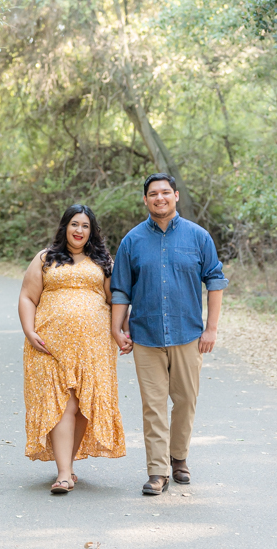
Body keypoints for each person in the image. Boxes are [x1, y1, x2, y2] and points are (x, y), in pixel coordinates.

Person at [110, 173, 228, 495]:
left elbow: (215, 282)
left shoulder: (199, 237)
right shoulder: (131, 241)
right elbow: (120, 289)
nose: (159, 198)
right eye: (153, 194)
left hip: (187, 334)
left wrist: (211, 329)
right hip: (146, 336)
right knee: (153, 405)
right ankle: (157, 471)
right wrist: (116, 328)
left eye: (165, 192)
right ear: (145, 200)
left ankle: (179, 457)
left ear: (175, 195)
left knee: (186, 401)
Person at [19, 204, 129, 494]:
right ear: (65, 227)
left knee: (82, 407)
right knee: (63, 404)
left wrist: (122, 331)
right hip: (50, 346)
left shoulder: (103, 261)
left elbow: (116, 300)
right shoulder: (45, 259)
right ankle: (64, 473)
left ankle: (67, 465)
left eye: (85, 226)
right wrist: (29, 331)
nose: (79, 230)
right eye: (74, 224)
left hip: (93, 347)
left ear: (91, 231)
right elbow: (28, 297)